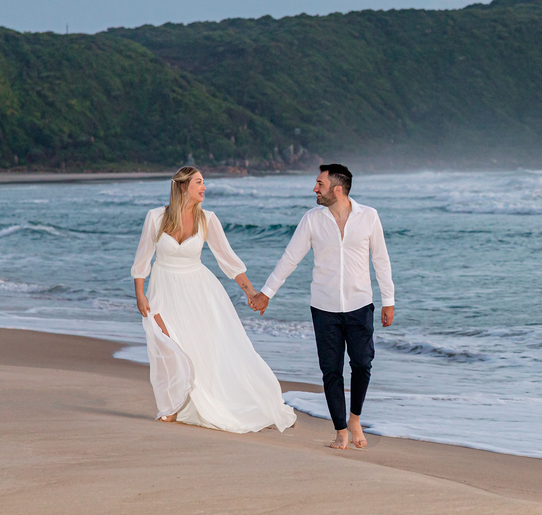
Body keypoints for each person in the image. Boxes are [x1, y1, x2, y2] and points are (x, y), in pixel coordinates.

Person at [131, 166, 296, 433]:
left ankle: (202, 404)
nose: (204, 187)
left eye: (203, 182)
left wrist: (251, 292)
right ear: (184, 187)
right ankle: (171, 406)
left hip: (199, 292)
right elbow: (142, 259)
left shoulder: (207, 219)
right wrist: (139, 293)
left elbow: (228, 261)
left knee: (198, 349)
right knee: (166, 345)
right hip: (164, 290)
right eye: (199, 182)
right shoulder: (155, 217)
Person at [249, 164, 394, 450]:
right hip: (324, 306)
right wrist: (267, 293)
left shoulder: (369, 217)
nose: (315, 188)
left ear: (336, 188)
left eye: (319, 183)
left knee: (362, 364)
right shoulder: (312, 220)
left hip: (360, 304)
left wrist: (388, 300)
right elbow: (290, 258)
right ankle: (340, 429)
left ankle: (355, 419)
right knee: (331, 370)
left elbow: (381, 259)